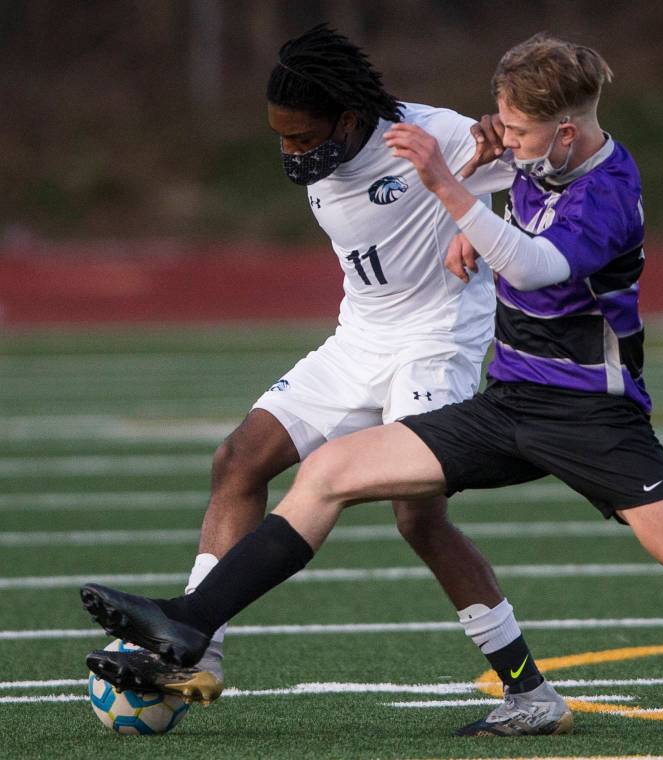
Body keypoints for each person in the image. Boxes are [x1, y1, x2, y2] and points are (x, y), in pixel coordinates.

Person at [81, 33, 663, 743]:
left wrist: (453, 195)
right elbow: (504, 204)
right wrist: (475, 216)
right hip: (508, 405)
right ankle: (191, 625)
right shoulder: (538, 159)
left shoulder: (609, 189)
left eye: (516, 129)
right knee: (325, 472)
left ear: (568, 135)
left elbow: (541, 266)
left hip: (593, 416)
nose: (497, 137)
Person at [97, 23, 572, 736]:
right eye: (280, 137)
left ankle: (530, 694)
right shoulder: (328, 149)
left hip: (434, 343)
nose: (290, 151)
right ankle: (195, 647)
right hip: (360, 338)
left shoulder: (436, 137)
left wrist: (497, 168)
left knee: (419, 516)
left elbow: (552, 166)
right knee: (238, 459)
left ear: (350, 120)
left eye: (300, 137)